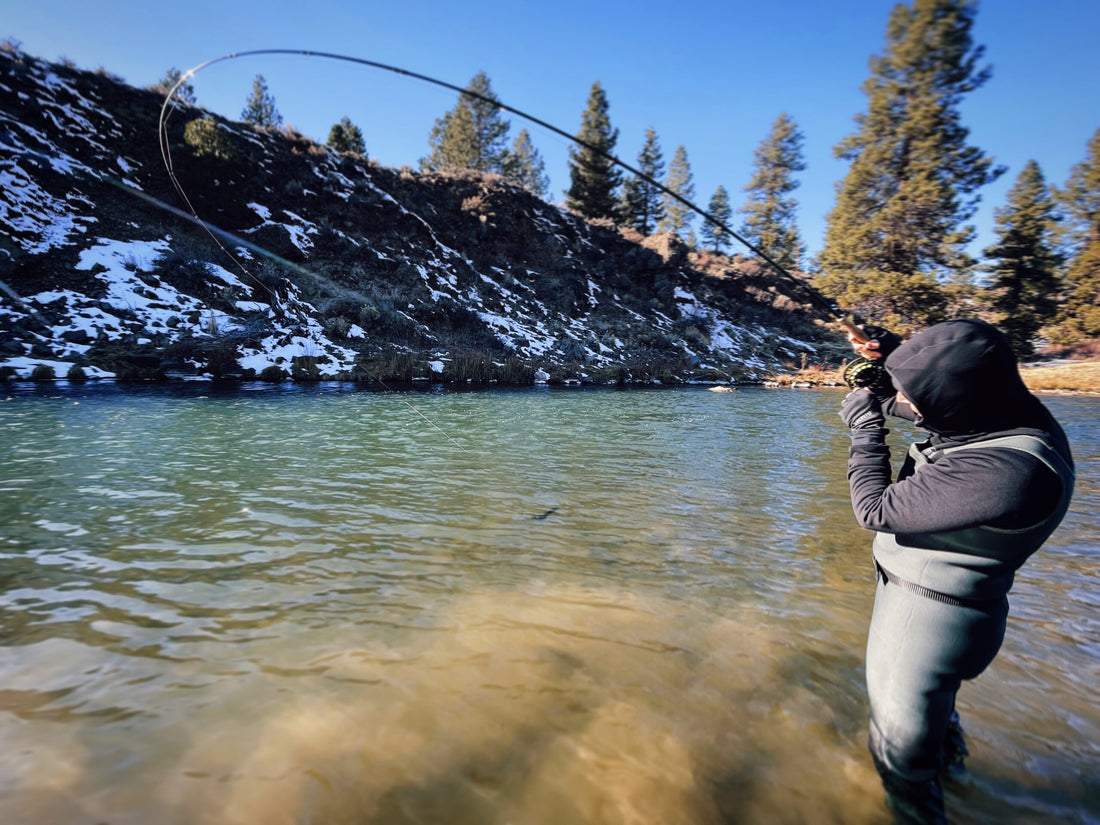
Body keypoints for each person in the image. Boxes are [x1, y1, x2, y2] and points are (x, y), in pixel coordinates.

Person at [837, 319, 1076, 824]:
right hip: (953, 618)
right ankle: (959, 784)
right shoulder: (1012, 416)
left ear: (958, 399)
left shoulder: (1006, 473)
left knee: (900, 763)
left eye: (919, 397)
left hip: (921, 630)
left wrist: (864, 431)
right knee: (934, 730)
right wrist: (894, 363)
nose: (908, 405)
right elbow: (936, 405)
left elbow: (874, 509)